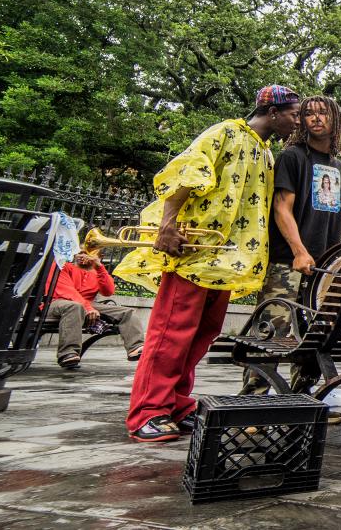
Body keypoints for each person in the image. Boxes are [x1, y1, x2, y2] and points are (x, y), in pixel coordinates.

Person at [116, 84, 301, 442]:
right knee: (170, 335)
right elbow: (185, 174)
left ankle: (175, 404)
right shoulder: (225, 133)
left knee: (201, 334)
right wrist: (167, 226)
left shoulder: (264, 151)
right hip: (193, 254)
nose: (296, 121)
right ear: (273, 111)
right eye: (293, 113)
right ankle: (147, 412)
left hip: (226, 262)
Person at [241, 95, 341, 397]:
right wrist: (298, 251)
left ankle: (301, 397)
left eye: (323, 113)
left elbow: (329, 210)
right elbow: (282, 208)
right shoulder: (293, 157)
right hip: (288, 262)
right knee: (274, 329)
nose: (316, 118)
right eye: (309, 114)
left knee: (316, 334)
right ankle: (252, 398)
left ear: (335, 120)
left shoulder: (338, 167)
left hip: (323, 267)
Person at [47, 250, 144, 368]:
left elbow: (108, 291)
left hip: (88, 304)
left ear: (98, 256)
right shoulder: (61, 266)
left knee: (127, 312)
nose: (83, 256)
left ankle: (136, 347)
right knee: (75, 307)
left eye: (88, 254)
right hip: (57, 302)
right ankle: (68, 353)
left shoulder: (96, 272)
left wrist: (99, 267)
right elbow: (68, 292)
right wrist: (87, 308)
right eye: (80, 252)